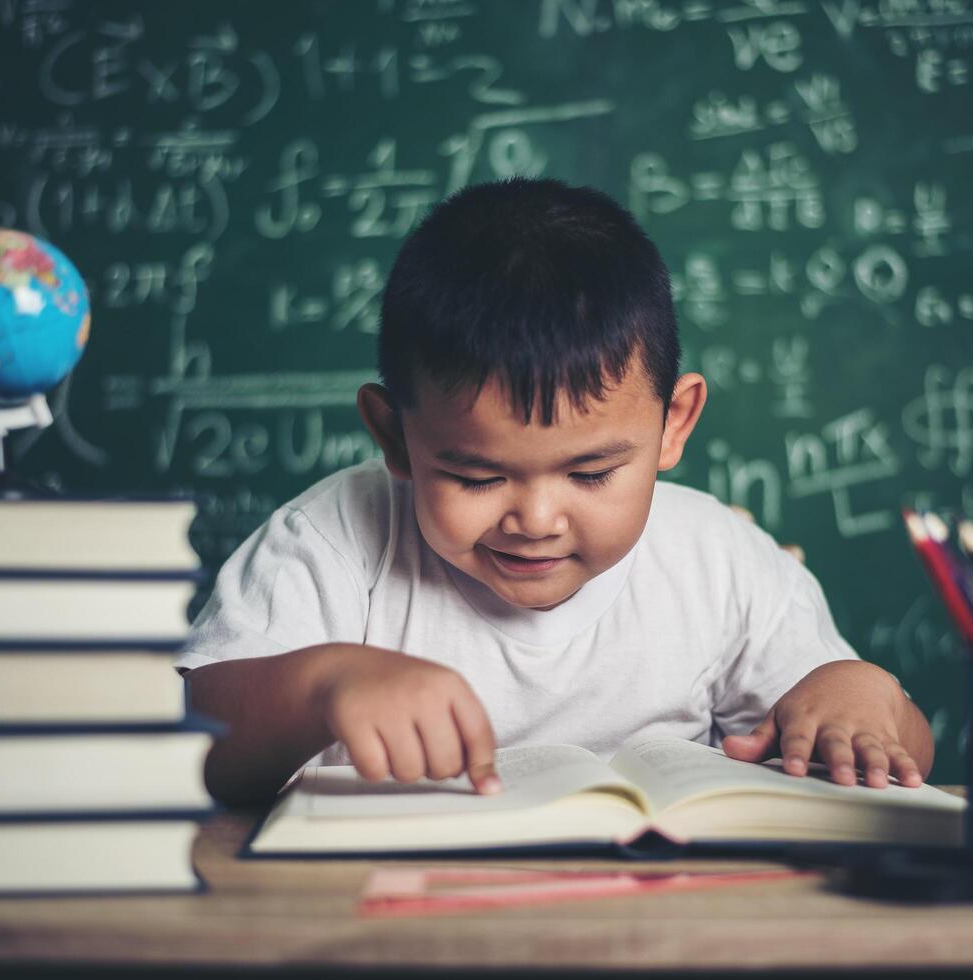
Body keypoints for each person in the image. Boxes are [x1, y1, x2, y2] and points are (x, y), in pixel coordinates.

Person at [178, 178, 933, 806]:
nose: (535, 520)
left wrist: (862, 695)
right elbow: (190, 746)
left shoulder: (718, 560)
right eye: (476, 477)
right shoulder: (331, 543)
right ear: (393, 437)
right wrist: (322, 686)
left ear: (675, 425)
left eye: (590, 473)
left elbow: (903, 757)